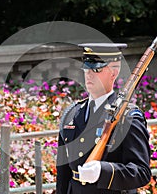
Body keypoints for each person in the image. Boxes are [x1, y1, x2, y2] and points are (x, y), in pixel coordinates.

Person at [56, 43, 151, 194]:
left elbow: (141, 172)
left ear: (114, 72)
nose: (89, 74)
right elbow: (63, 174)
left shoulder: (128, 117)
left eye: (97, 69)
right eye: (86, 68)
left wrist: (104, 171)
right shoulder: (71, 114)